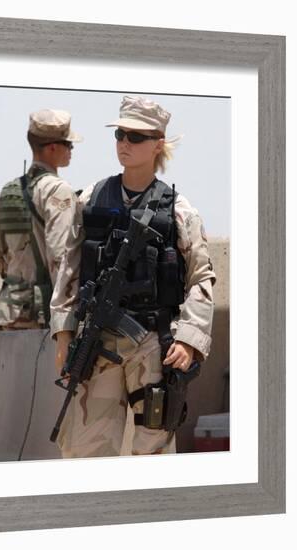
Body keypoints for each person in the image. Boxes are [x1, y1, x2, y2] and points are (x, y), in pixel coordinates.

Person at [50, 95, 216, 458]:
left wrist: (189, 340)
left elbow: (201, 277)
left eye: (136, 137)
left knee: (152, 452)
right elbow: (70, 266)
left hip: (154, 346)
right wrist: (63, 333)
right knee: (86, 452)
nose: (124, 143)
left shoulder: (178, 210)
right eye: (120, 134)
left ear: (158, 145)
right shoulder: (92, 197)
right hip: (97, 344)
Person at [0, 109, 81, 330]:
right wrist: (67, 318)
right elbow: (61, 257)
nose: (71, 150)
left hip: (8, 313)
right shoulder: (57, 190)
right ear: (52, 148)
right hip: (44, 316)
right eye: (68, 144)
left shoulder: (5, 194)